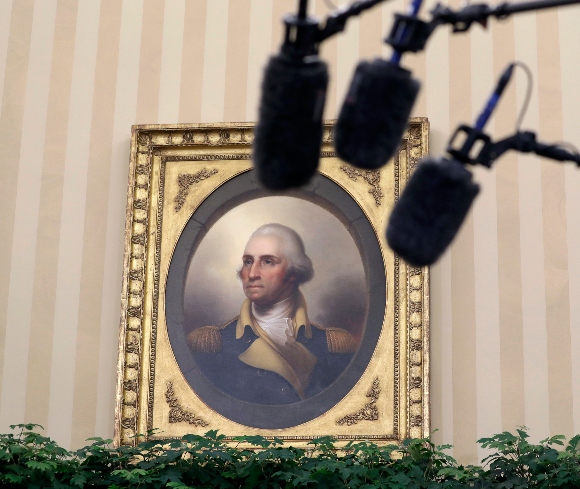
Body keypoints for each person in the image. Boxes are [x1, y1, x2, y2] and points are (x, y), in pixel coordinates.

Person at [187, 223, 357, 405]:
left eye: (268, 262)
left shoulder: (334, 346)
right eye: (248, 262)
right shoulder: (209, 345)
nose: (252, 274)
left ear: (294, 272)